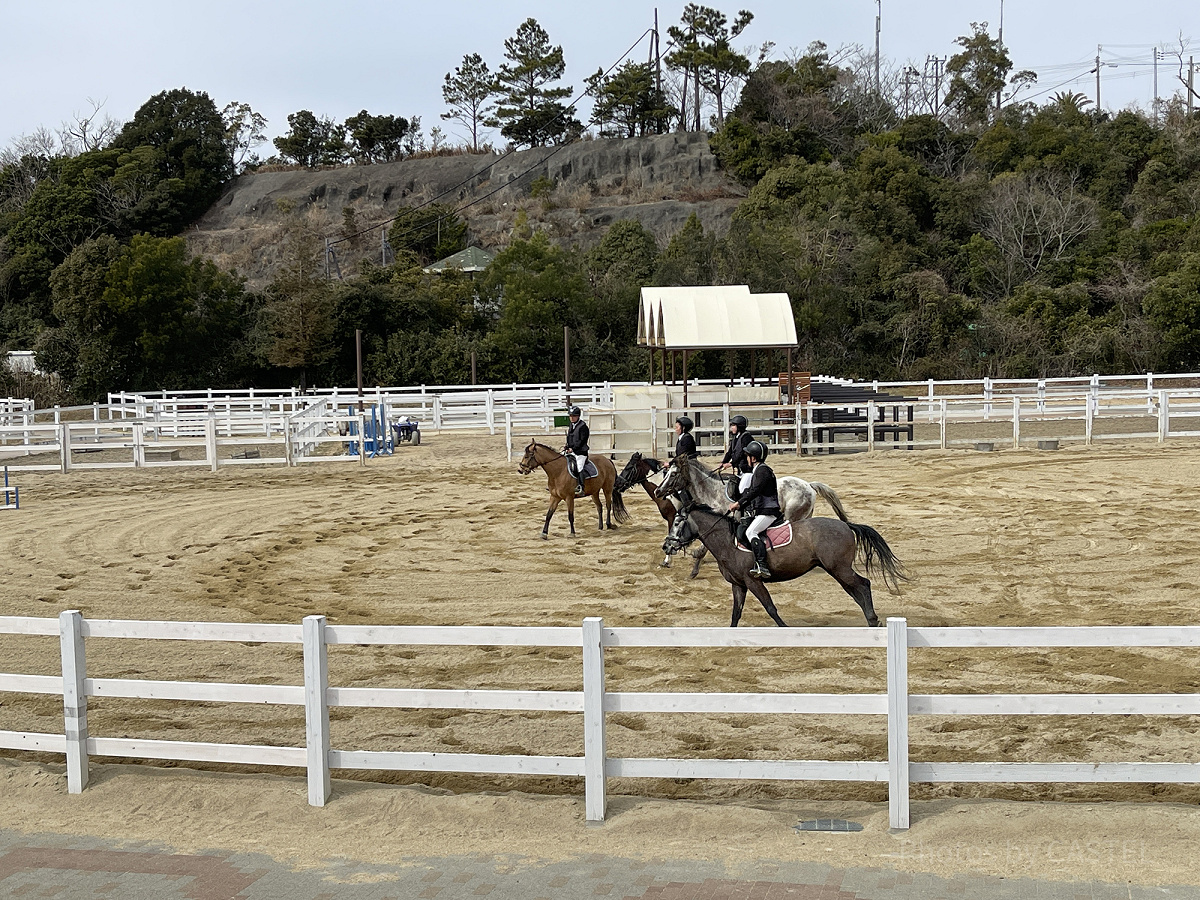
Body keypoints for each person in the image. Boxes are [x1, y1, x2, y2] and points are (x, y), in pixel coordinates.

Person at [729, 440, 779, 579]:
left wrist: (739, 503)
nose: (746, 459)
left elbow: (755, 491)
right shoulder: (758, 469)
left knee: (752, 531)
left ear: (754, 458)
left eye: (748, 456)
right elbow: (750, 490)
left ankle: (762, 565)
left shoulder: (762, 470)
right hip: (762, 510)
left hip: (768, 511)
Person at [564, 405, 590, 496]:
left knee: (579, 467)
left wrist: (573, 449)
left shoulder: (583, 427)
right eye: (570, 416)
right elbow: (570, 438)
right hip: (571, 451)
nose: (571, 418)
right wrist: (567, 447)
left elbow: (582, 441)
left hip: (580, 452)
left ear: (578, 416)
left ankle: (581, 487)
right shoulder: (572, 425)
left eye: (573, 416)